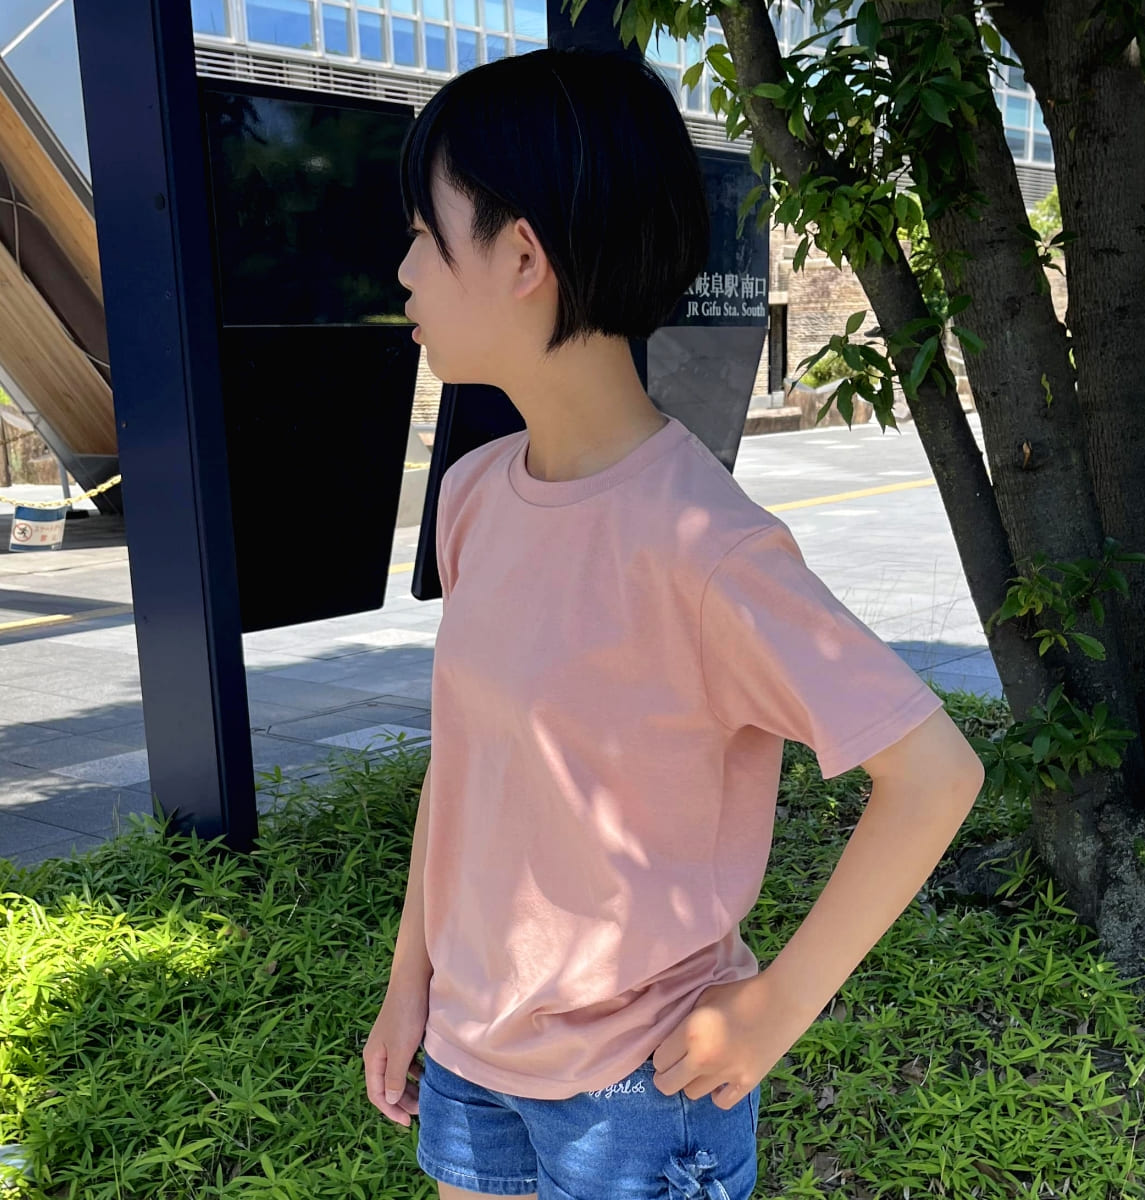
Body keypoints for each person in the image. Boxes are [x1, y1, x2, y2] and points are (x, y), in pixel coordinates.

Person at [362, 44, 985, 1200]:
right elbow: (466, 770)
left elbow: (935, 774)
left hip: (639, 1094)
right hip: (469, 1059)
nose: (402, 269)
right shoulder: (474, 496)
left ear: (523, 256)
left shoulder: (707, 551)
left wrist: (774, 1010)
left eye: (421, 235)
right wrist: (413, 986)